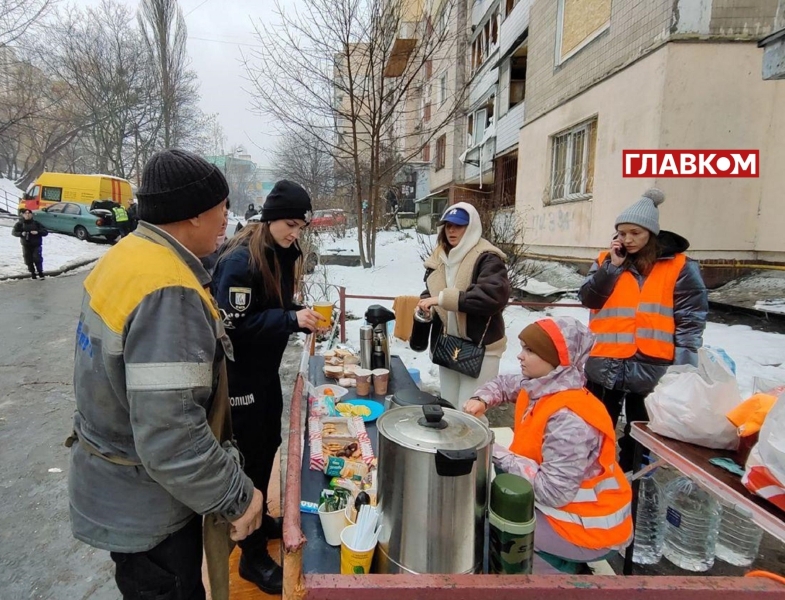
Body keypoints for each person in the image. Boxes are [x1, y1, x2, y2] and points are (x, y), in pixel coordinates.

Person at [68, 149, 264, 600]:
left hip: (118, 489)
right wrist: (239, 496)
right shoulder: (167, 290)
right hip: (148, 507)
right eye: (222, 206)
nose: (226, 218)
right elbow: (172, 437)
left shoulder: (127, 257)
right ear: (194, 213)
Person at [212, 180, 321, 594]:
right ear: (272, 218)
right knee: (248, 462)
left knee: (268, 447)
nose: (296, 232)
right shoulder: (241, 259)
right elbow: (234, 327)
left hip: (264, 373)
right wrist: (291, 320)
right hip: (240, 379)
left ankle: (262, 525)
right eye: (290, 224)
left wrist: (296, 312)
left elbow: (268, 307)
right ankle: (251, 557)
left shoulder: (280, 253)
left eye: (301, 226)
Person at [464, 317, 633, 567]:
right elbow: (503, 385)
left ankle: (552, 577)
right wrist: (482, 399)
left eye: (530, 350)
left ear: (559, 359)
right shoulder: (542, 386)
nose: (520, 356)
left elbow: (553, 491)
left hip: (587, 527)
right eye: (522, 347)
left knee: (487, 529)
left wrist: (490, 448)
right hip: (569, 511)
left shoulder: (570, 419)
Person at [579, 188, 708, 472]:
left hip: (653, 366)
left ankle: (633, 485)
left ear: (650, 232)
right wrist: (612, 268)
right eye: (622, 233)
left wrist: (684, 366)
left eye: (634, 233)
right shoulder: (606, 261)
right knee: (594, 431)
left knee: (642, 439)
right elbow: (589, 298)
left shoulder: (680, 267)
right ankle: (592, 480)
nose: (627, 239)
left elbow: (691, 318)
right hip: (605, 362)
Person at [417, 202, 510, 410]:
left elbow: (492, 296)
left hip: (480, 348)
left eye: (459, 226)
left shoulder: (487, 257)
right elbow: (432, 290)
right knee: (449, 409)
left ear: (472, 227)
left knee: (470, 414)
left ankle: (477, 445)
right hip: (448, 345)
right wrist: (428, 303)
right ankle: (448, 444)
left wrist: (442, 300)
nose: (451, 230)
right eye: (448, 225)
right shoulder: (441, 256)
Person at [12, 208, 48, 279]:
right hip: (26, 245)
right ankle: (32, 273)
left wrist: (37, 232)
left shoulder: (36, 223)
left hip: (36, 245)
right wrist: (21, 233)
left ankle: (40, 272)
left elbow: (45, 232)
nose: (27, 215)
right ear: (23, 215)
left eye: (29, 213)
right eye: (26, 213)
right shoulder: (20, 224)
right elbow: (14, 232)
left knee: (37, 258)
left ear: (31, 215)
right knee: (28, 259)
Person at [201, 199, 231, 273]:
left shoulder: (232, 247)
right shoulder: (200, 251)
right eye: (220, 215)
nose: (224, 221)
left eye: (226, 215)